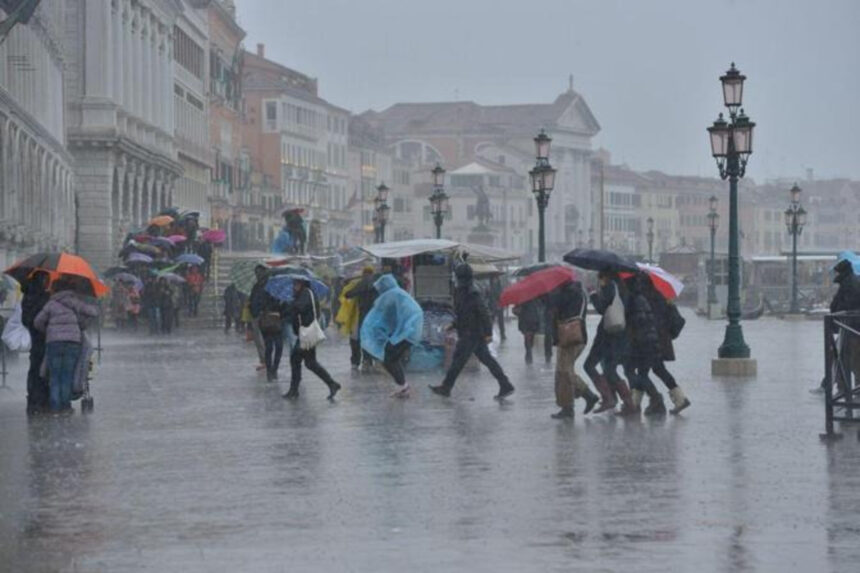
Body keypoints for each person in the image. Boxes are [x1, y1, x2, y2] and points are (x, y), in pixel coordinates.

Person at [430, 263, 515, 400]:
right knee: (487, 360)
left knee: (458, 361)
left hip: (472, 334)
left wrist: (488, 333)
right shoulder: (463, 291)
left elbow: (483, 313)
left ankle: (446, 387)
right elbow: (465, 314)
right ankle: (505, 384)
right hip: (470, 333)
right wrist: (454, 324)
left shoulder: (472, 293)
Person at [33, 278, 99, 413]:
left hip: (54, 343)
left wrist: (49, 332)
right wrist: (82, 325)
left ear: (55, 289)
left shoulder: (51, 304)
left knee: (55, 376)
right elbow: (93, 313)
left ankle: (55, 408)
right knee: (67, 375)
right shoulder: (75, 303)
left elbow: (37, 322)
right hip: (72, 343)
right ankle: (65, 407)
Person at [360, 274, 424, 397]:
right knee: (392, 357)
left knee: (388, 358)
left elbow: (381, 314)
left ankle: (403, 386)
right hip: (411, 329)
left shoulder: (391, 295)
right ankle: (402, 385)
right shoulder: (398, 293)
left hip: (408, 330)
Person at [583, 270, 637, 415]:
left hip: (606, 336)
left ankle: (608, 398)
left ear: (604, 277)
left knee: (589, 365)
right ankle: (629, 404)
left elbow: (602, 308)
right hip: (620, 335)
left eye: (599, 277)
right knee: (609, 369)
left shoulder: (610, 288)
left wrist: (593, 293)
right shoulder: (623, 289)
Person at [545, 281, 600, 419]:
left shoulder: (566, 294)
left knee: (564, 372)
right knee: (562, 372)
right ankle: (570, 406)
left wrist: (548, 297)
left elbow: (558, 312)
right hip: (573, 336)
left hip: (569, 337)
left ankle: (583, 399)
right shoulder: (576, 292)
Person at [283, 277, 341, 400]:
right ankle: (331, 384)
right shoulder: (302, 293)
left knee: (300, 360)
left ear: (302, 283)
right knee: (307, 362)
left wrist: (291, 303)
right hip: (304, 333)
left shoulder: (306, 293)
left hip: (307, 333)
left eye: (296, 283)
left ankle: (295, 390)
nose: (294, 286)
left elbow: (300, 307)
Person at [641, 278, 691, 415]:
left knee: (642, 371)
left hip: (651, 339)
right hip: (662, 340)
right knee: (657, 369)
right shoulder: (662, 296)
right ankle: (679, 398)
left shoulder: (646, 297)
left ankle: (650, 401)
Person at [622, 274, 666, 416]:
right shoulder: (639, 297)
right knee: (640, 372)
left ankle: (655, 398)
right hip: (646, 340)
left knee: (631, 371)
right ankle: (642, 402)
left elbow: (638, 320)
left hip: (641, 342)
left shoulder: (634, 299)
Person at [21, 271, 51, 415]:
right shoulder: (43, 298)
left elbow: (25, 319)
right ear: (42, 280)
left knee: (34, 368)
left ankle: (32, 400)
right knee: (43, 369)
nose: (48, 283)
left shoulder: (27, 296)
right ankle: (42, 400)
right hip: (43, 336)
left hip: (34, 337)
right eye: (47, 280)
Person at [345, 266, 378, 371]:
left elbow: (349, 294)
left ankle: (355, 362)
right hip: (373, 316)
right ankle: (367, 360)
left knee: (355, 340)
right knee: (368, 339)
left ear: (364, 273)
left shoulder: (362, 282)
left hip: (360, 315)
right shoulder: (377, 283)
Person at [259, 291, 289, 382]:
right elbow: (257, 306)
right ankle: (270, 370)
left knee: (278, 347)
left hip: (278, 324)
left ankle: (274, 368)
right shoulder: (263, 293)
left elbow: (286, 310)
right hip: (267, 324)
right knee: (270, 347)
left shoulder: (282, 295)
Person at [335, 276, 362, 371]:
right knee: (358, 342)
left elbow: (344, 301)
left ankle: (355, 361)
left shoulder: (352, 290)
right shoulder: (362, 287)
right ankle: (362, 361)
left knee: (355, 342)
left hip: (355, 321)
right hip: (357, 320)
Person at [248, 265, 270, 372]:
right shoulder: (257, 285)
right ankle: (264, 360)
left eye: (259, 272)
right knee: (258, 339)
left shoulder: (267, 285)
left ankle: (266, 360)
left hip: (263, 314)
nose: (257, 274)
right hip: (255, 313)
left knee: (262, 339)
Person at [513, 300, 541, 364]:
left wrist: (516, 311)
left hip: (525, 322)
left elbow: (516, 311)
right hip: (533, 321)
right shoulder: (534, 297)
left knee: (527, 339)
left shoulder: (521, 299)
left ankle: (529, 354)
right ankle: (529, 353)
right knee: (530, 338)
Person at [488, 275, 507, 342]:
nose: (495, 280)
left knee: (500, 321)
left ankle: (502, 334)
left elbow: (501, 295)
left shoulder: (499, 287)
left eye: (496, 278)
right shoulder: (490, 287)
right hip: (492, 306)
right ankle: (489, 334)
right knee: (491, 321)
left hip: (498, 306)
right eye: (494, 279)